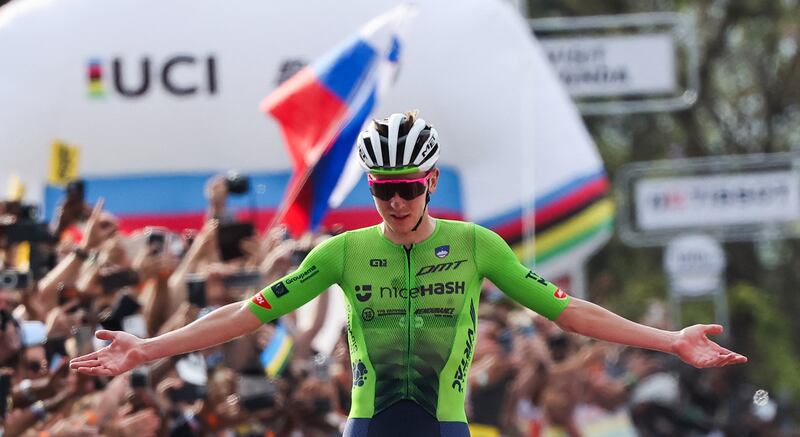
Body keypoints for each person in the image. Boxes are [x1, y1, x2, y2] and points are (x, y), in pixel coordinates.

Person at [70, 111, 747, 437]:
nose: (395, 203)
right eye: (382, 189)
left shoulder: (477, 244)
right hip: (368, 426)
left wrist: (667, 341)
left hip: (446, 427)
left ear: (428, 181)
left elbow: (567, 311)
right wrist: (148, 347)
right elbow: (249, 313)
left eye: (407, 189)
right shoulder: (341, 250)